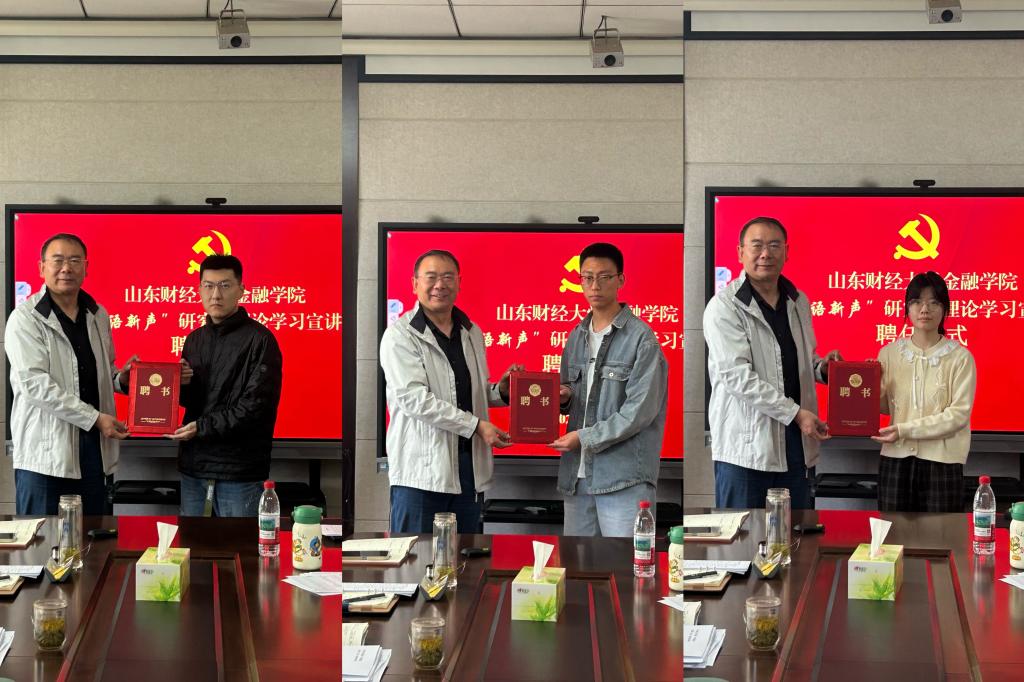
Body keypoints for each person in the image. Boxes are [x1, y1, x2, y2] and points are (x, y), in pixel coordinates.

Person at [704, 217, 841, 510]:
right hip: (746, 451)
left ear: (787, 252)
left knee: (796, 533)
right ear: (740, 252)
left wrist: (823, 369)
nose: (766, 254)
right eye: (757, 246)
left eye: (774, 245)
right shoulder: (724, 306)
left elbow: (798, 361)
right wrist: (796, 413)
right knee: (743, 536)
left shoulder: (798, 301)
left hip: (796, 447)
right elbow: (737, 377)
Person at [380, 249, 519, 534]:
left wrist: (501, 392)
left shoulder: (471, 332)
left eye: (447, 277)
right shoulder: (400, 335)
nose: (439, 285)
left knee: (465, 556)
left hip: (468, 471)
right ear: (414, 284)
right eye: (431, 277)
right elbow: (414, 399)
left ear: (458, 283)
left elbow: (466, 393)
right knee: (415, 557)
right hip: (421, 475)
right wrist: (476, 425)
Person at [5, 233, 137, 515]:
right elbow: (35, 385)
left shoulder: (97, 314)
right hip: (45, 458)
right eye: (58, 260)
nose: (66, 268)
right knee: (42, 538)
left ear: (86, 268)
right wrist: (94, 418)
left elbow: (103, 371)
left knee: (95, 536)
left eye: (75, 261)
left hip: (93, 453)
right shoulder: (25, 318)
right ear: (42, 268)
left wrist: (121, 380)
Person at [550, 242, 669, 537]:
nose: (595, 286)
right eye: (587, 277)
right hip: (577, 477)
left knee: (625, 562)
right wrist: (565, 396)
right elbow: (573, 394)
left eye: (604, 277)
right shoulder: (576, 336)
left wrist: (584, 437)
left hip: (623, 478)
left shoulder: (642, 339)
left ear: (620, 280)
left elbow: (638, 413)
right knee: (577, 562)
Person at [169, 254, 282, 517]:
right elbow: (194, 402)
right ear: (199, 290)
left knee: (239, 543)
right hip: (194, 465)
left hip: (239, 469)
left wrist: (202, 427)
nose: (215, 295)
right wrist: (181, 384)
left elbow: (255, 408)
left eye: (225, 285)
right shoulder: (194, 340)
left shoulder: (261, 340)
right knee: (193, 542)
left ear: (241, 290)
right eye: (208, 286)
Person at [871, 272, 976, 512]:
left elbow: (958, 415)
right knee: (892, 533)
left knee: (941, 534)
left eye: (934, 302)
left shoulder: (960, 357)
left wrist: (904, 430)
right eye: (916, 301)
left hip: (943, 462)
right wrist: (870, 386)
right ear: (907, 308)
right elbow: (886, 407)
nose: (924, 309)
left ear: (945, 309)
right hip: (895, 459)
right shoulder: (888, 353)